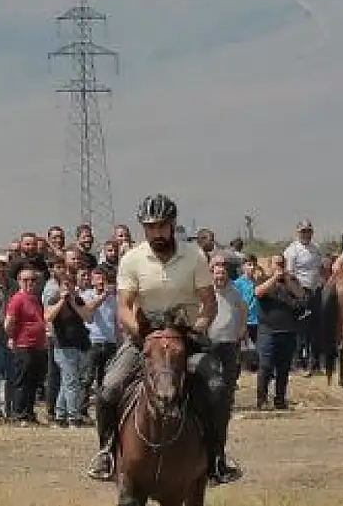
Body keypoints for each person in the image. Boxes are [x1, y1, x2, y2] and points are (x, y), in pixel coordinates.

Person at [86, 193, 243, 486]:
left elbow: (209, 302)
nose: (156, 232)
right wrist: (139, 331)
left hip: (187, 338)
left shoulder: (194, 255)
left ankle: (217, 457)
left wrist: (199, 325)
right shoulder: (132, 259)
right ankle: (107, 451)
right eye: (150, 227)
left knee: (218, 388)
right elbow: (123, 305)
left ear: (172, 225)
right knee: (108, 388)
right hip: (143, 339)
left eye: (161, 226)